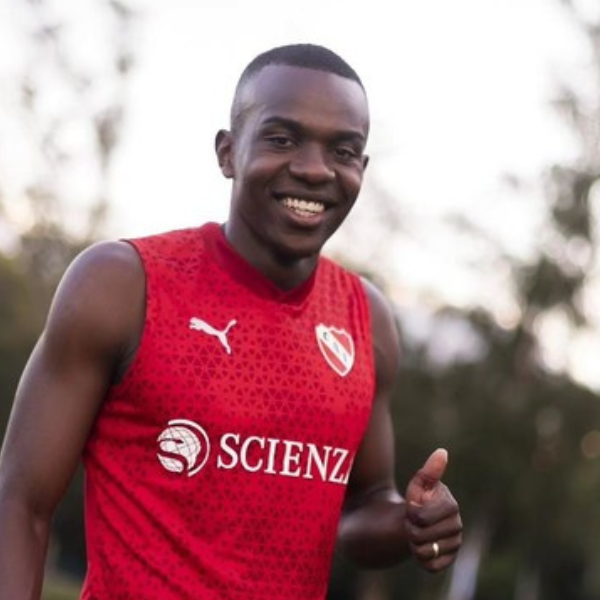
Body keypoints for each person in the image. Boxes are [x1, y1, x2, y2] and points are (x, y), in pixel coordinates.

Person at [0, 43, 462, 600]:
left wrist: (410, 522)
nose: (314, 169)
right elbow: (19, 503)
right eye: (282, 139)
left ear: (360, 170)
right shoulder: (122, 284)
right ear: (228, 153)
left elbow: (362, 509)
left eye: (343, 151)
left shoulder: (368, 321)